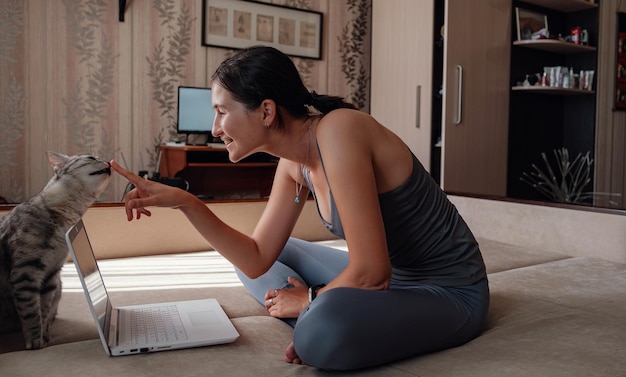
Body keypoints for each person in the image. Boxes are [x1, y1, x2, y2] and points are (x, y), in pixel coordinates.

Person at [111, 45, 489, 371]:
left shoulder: (339, 131)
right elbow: (257, 257)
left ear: (266, 111)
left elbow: (373, 272)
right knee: (255, 262)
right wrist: (184, 202)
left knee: (320, 333)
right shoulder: (293, 164)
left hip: (446, 291)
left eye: (223, 112)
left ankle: (319, 314)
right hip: (394, 277)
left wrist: (309, 300)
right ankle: (323, 310)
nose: (214, 128)